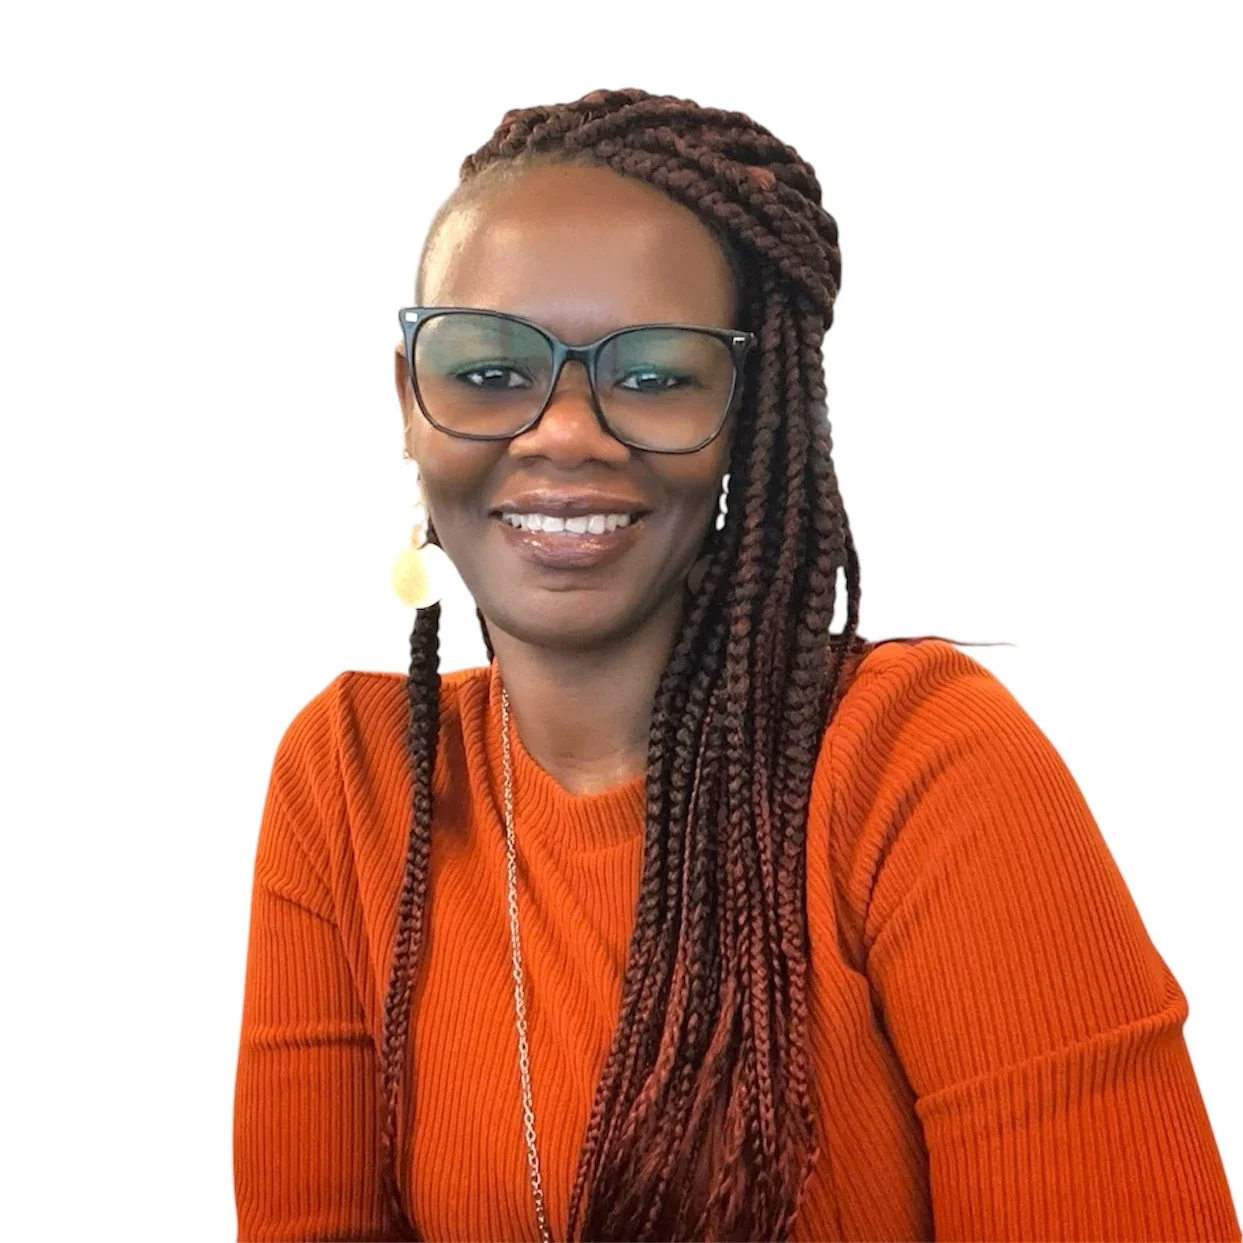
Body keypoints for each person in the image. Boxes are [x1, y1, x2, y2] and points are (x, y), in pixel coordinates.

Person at [232, 88, 1240, 1242]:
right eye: (489, 368)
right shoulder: (351, 783)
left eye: (655, 374)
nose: (564, 429)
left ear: (746, 414)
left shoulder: (926, 772)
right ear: (410, 402)